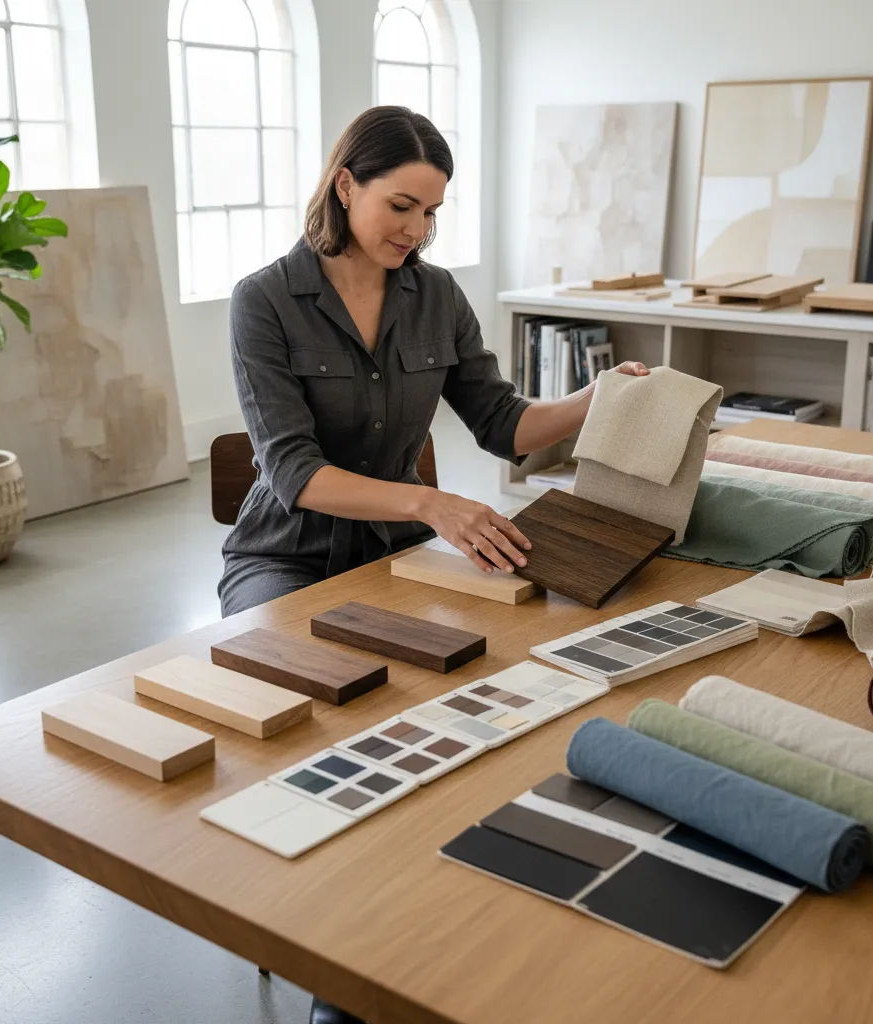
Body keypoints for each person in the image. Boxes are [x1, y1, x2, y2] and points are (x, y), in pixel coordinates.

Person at [218, 105, 647, 1023]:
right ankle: (338, 954)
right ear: (345, 186)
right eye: (401, 206)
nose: (415, 231)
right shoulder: (264, 299)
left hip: (399, 555)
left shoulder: (437, 295)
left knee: (468, 706)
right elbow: (292, 472)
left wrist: (594, 397)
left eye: (432, 214)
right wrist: (428, 501)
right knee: (330, 722)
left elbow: (501, 423)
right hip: (284, 561)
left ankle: (418, 916)